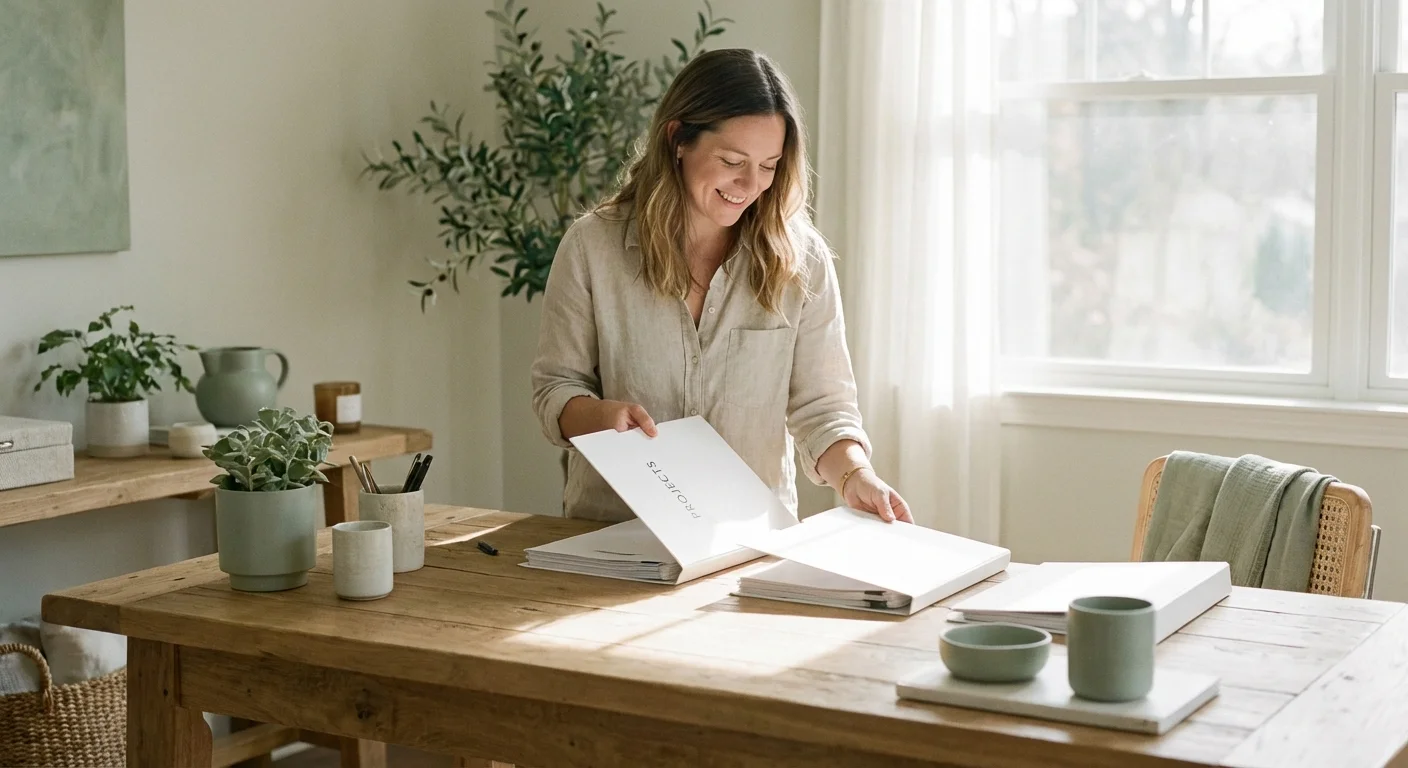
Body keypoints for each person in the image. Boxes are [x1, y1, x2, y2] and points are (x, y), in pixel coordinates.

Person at [530, 48, 912, 525]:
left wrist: (856, 475)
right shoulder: (592, 246)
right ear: (678, 140)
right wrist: (601, 419)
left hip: (750, 542)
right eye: (733, 160)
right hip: (616, 535)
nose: (751, 184)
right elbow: (555, 390)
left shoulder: (802, 260)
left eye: (769, 165)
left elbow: (823, 408)